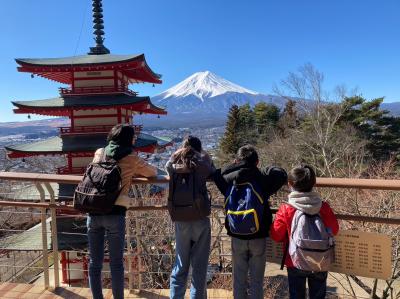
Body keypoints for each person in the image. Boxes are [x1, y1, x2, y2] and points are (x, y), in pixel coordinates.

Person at [87, 124, 157, 299]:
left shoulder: (99, 152)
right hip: (115, 213)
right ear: (129, 139)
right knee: (116, 263)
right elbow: (152, 172)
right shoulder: (131, 158)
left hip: (93, 210)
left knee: (94, 263)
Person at [213, 145, 287, 299]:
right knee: (257, 281)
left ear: (236, 161)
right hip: (258, 235)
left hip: (236, 235)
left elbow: (216, 173)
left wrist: (234, 166)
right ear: (257, 162)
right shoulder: (261, 178)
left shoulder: (227, 180)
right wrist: (262, 169)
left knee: (238, 280)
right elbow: (281, 173)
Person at [270, 165, 339, 299]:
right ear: (314, 183)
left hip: (295, 261)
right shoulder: (323, 206)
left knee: (296, 295)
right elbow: (334, 230)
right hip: (320, 259)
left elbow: (276, 235)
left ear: (290, 184)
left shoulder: (286, 209)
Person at [166, 136, 215, 299]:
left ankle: (176, 296)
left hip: (180, 217)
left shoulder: (174, 162)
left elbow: (167, 167)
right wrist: (203, 154)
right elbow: (213, 171)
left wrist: (177, 153)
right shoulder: (202, 162)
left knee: (180, 264)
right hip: (200, 216)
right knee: (199, 268)